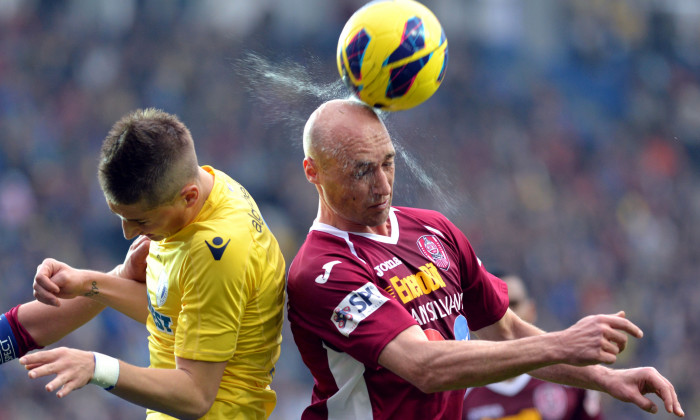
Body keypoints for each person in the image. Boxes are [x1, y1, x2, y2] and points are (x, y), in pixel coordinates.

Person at [285, 99, 684, 420]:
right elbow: (425, 367)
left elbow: (505, 331)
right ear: (313, 172)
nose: (384, 185)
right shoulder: (321, 270)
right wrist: (563, 343)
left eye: (388, 162)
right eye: (362, 171)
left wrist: (607, 379)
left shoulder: (433, 230)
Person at [15, 108, 286, 419]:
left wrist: (96, 366)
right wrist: (89, 284)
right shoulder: (199, 193)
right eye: (122, 217)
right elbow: (174, 314)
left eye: (139, 220)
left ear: (188, 197)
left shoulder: (216, 252)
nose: (128, 233)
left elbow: (196, 396)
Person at [462, 271, 603, 420]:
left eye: (513, 304)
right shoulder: (460, 393)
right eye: (491, 305)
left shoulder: (571, 377)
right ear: (472, 319)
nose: (503, 315)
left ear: (532, 310)